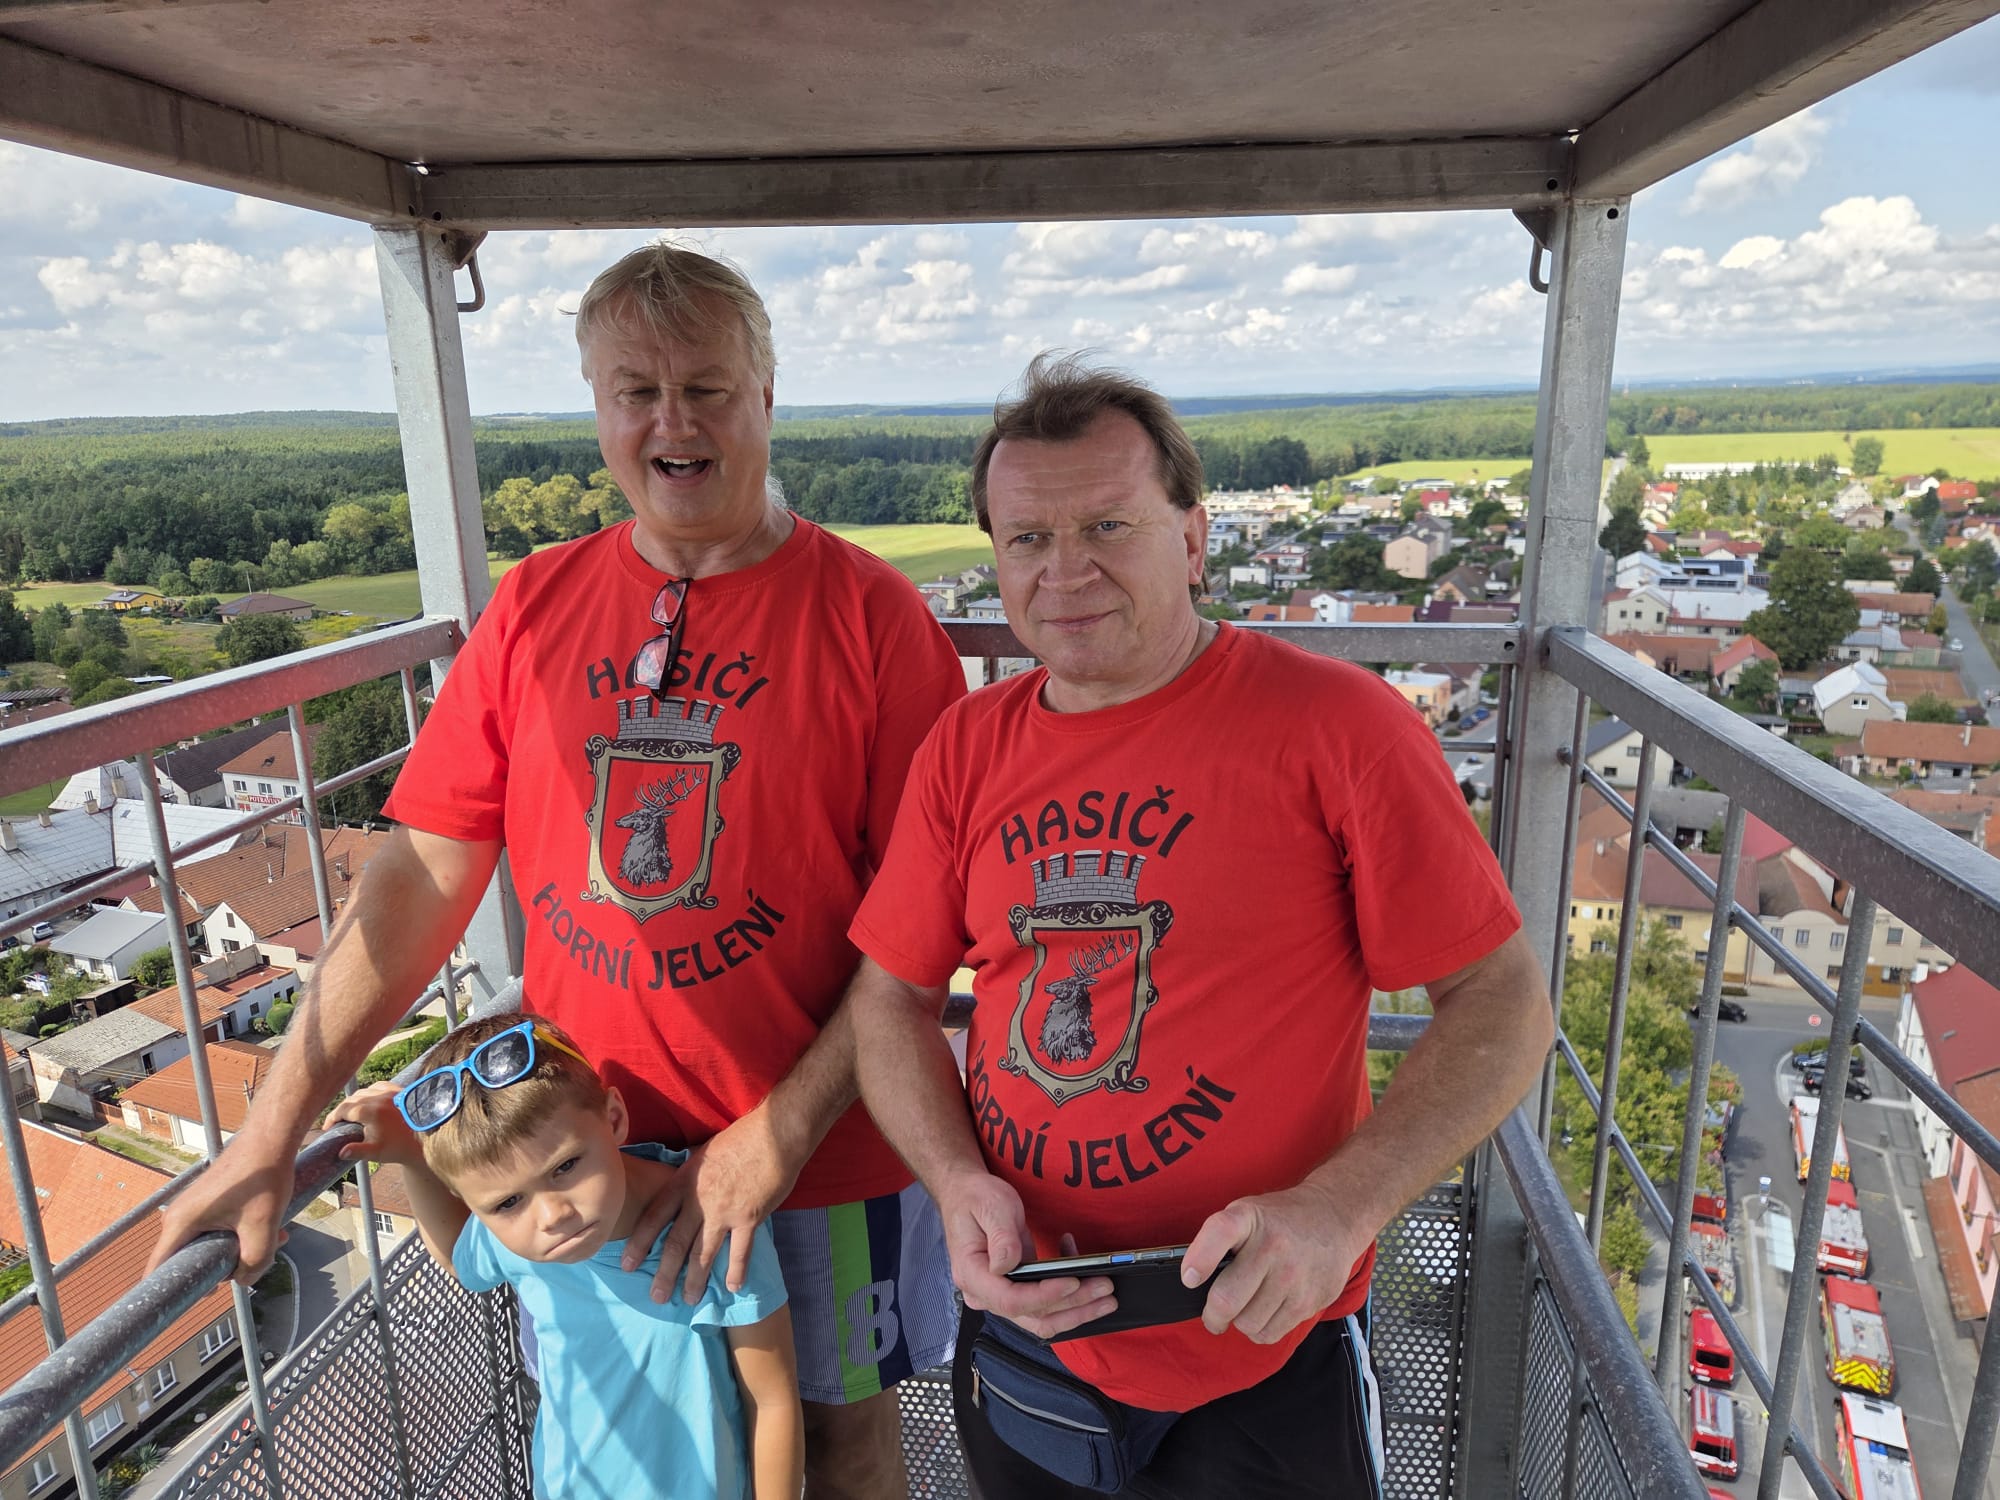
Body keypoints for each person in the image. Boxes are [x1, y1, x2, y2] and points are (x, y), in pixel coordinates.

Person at [153, 245, 967, 1496]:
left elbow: (913, 932)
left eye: (706, 388)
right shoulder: (533, 607)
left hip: (821, 1151)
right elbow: (416, 882)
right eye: (635, 392)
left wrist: (776, 1133)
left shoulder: (873, 619)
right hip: (575, 1155)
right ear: (596, 407)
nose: (671, 423)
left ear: (765, 396)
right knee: (623, 1437)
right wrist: (272, 1132)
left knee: (841, 1441)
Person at [844, 354, 1555, 1497]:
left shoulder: (1338, 730)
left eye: (1105, 526)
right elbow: (888, 999)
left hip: (1262, 1340)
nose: (1063, 572)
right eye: (1026, 539)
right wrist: (952, 1181)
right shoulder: (965, 750)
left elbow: (1503, 1002)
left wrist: (1338, 1211)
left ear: (1191, 538)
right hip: (1032, 1329)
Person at [328, 1014, 801, 1500]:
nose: (552, 1215)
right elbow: (461, 1258)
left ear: (613, 1119)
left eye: (566, 1166)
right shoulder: (516, 1239)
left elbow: (772, 1402)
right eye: (507, 1203)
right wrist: (411, 1157)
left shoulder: (711, 1224)